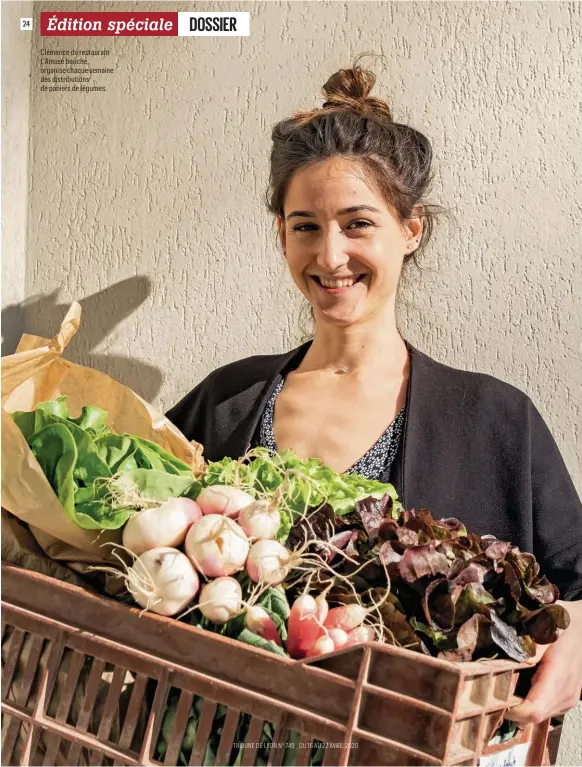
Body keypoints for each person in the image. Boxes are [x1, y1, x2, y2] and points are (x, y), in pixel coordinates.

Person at [166, 54, 582, 724]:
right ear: (282, 235)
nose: (330, 255)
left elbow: (576, 579)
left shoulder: (497, 421)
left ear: (409, 230)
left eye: (358, 223)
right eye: (306, 226)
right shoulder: (229, 400)